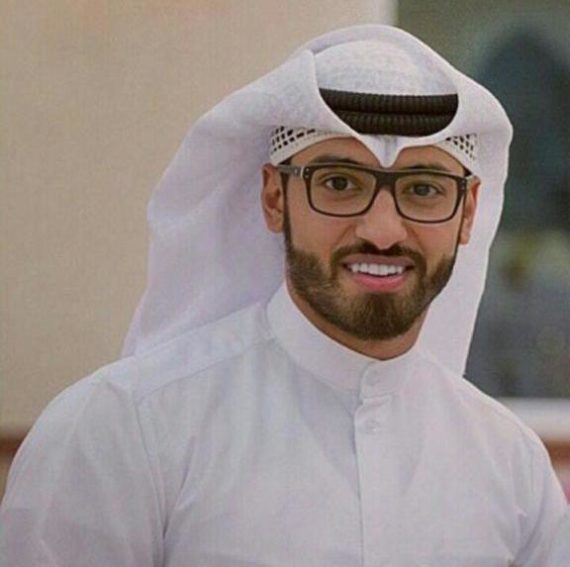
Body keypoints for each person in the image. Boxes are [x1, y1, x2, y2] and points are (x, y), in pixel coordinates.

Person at [0, 25, 567, 566]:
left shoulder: (510, 464)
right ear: (274, 197)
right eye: (340, 183)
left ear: (467, 213)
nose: (383, 230)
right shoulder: (123, 428)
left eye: (423, 189)